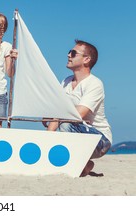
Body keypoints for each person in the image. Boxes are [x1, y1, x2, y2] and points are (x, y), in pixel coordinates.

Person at [46, 40, 112, 176]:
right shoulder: (66, 81)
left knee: (64, 123)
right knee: (61, 123)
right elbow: (56, 113)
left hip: (100, 139)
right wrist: (47, 136)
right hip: (76, 131)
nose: (68, 55)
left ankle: (79, 161)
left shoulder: (94, 83)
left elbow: (77, 114)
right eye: (69, 52)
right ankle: (84, 164)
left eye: (73, 53)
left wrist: (61, 118)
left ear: (86, 59)